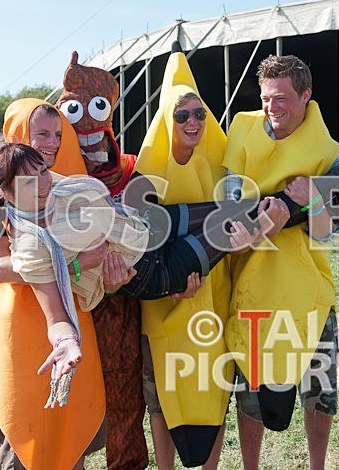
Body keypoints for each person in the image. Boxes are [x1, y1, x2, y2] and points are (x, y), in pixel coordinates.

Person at [222, 54, 339, 470]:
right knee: (252, 391)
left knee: (319, 390)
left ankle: (317, 465)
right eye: (265, 98)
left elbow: (324, 231)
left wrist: (310, 196)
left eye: (280, 99)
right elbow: (226, 205)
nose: (271, 107)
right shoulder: (240, 132)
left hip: (310, 290)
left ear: (306, 95)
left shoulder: (328, 150)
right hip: (253, 286)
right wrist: (258, 225)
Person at [0, 99, 107, 470]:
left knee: (65, 426)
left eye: (58, 134)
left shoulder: (59, 183)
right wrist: (72, 265)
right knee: (23, 428)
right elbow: (2, 268)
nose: (53, 142)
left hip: (65, 317)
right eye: (41, 132)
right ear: (18, 133)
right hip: (18, 323)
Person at [133, 49, 232, 469]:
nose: (193, 122)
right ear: (166, 121)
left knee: (214, 385)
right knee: (162, 393)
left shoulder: (218, 165)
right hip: (164, 297)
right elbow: (139, 238)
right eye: (182, 115)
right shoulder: (147, 171)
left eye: (199, 114)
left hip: (211, 292)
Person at [56, 51, 148, 469]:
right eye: (75, 112)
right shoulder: (44, 171)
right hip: (65, 301)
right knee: (66, 397)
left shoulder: (132, 168)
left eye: (97, 110)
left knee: (125, 394)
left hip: (120, 299)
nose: (88, 127)